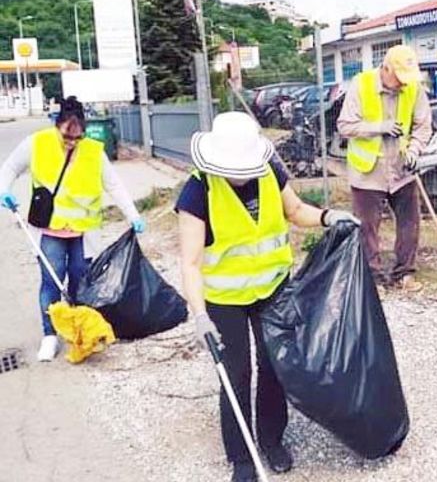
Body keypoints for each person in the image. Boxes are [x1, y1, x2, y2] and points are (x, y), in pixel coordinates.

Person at [176, 112, 358, 482]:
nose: (241, 173)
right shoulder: (198, 193)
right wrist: (199, 316)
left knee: (274, 365)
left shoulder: (269, 174)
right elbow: (191, 261)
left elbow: (295, 211)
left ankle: (272, 440)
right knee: (236, 373)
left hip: (272, 288)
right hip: (225, 299)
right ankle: (241, 457)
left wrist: (328, 217)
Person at [0, 96, 145, 361]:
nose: (71, 143)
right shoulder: (37, 143)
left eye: (77, 138)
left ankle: (80, 331)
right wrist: (3, 190)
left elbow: (114, 185)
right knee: (50, 283)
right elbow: (9, 168)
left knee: (81, 283)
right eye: (67, 136)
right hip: (49, 230)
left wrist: (133, 215)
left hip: (83, 233)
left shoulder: (93, 151)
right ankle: (50, 336)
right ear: (58, 125)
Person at [337, 44, 433, 291]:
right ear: (386, 68)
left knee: (410, 222)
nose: (403, 84)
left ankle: (404, 273)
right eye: (399, 78)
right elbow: (345, 126)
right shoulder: (361, 84)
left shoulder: (413, 86)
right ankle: (373, 278)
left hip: (401, 168)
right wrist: (379, 126)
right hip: (368, 172)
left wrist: (414, 150)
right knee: (367, 227)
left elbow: (423, 125)